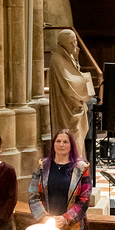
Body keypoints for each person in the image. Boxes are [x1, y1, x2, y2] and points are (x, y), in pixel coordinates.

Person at [50, 30, 93, 158]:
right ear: (62, 44)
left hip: (74, 105)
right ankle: (72, 163)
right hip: (66, 107)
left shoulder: (69, 56)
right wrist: (85, 79)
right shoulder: (58, 59)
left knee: (77, 138)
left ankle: (78, 163)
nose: (74, 45)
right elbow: (68, 84)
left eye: (75, 41)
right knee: (71, 136)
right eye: (71, 43)